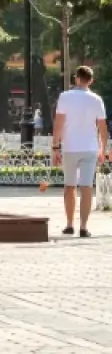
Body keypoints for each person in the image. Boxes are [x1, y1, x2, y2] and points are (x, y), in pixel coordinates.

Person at [54, 64, 109, 236]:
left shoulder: (65, 97)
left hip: (70, 147)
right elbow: (103, 128)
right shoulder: (96, 99)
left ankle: (70, 224)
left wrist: (55, 146)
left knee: (69, 186)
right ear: (91, 80)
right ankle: (84, 227)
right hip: (90, 148)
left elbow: (59, 124)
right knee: (86, 187)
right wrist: (103, 149)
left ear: (76, 78)